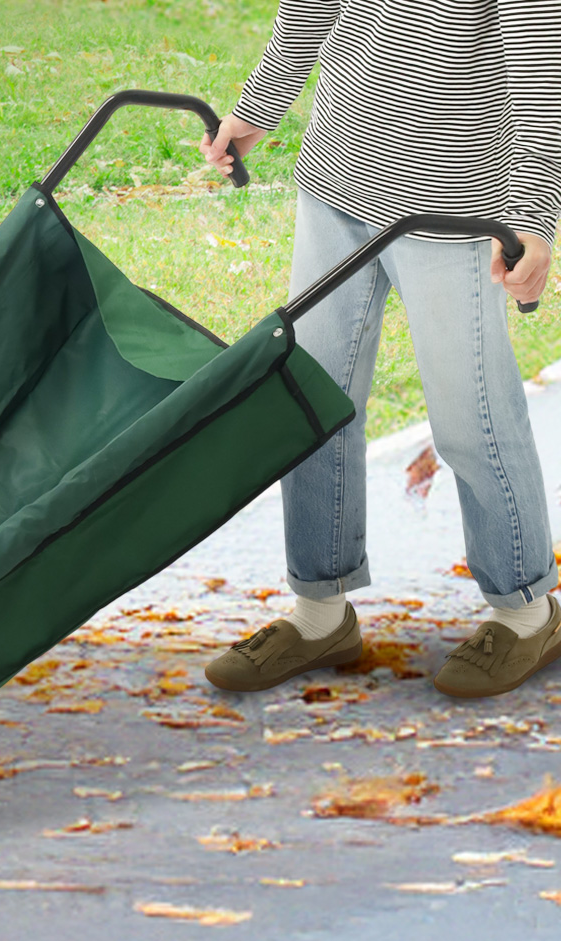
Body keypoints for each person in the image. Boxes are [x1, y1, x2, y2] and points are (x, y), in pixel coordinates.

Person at [199, 0, 561, 698]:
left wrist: (533, 217)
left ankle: (527, 613)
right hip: (339, 175)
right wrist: (259, 106)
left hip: (450, 207)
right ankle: (319, 611)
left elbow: (543, 73)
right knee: (311, 398)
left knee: (470, 418)